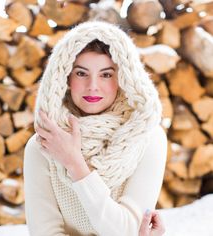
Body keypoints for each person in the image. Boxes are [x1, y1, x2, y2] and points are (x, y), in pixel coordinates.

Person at [23, 21, 167, 236]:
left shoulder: (148, 137)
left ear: (123, 79)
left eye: (106, 74)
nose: (93, 86)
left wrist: (75, 164)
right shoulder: (42, 145)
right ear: (66, 78)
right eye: (81, 73)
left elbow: (126, 231)